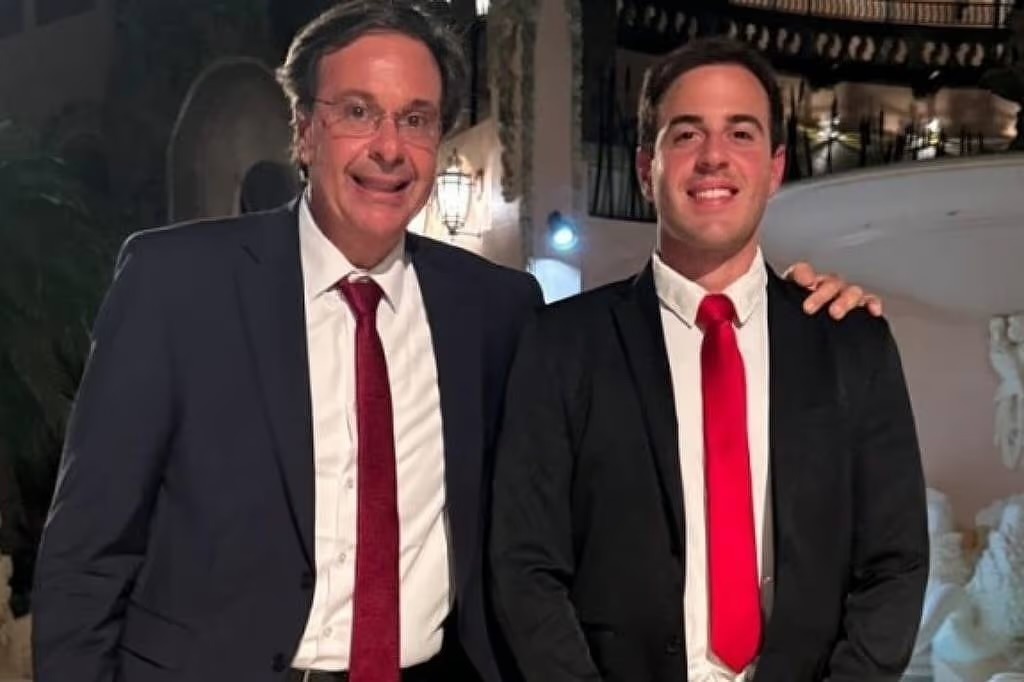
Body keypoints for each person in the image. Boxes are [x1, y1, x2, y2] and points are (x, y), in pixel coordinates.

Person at [31, 3, 882, 681]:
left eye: (417, 118)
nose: (389, 148)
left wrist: (796, 308)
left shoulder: (496, 309)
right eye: (357, 112)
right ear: (303, 129)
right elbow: (86, 552)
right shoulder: (177, 283)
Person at [489, 36, 928, 682]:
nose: (714, 156)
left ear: (775, 169)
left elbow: (895, 563)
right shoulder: (562, 345)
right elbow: (525, 565)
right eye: (687, 134)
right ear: (648, 167)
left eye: (741, 133)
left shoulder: (852, 344)